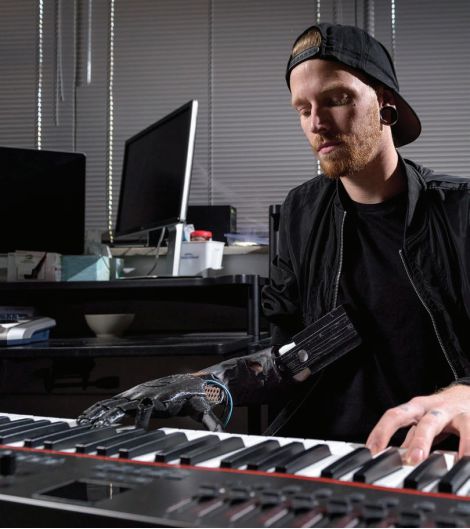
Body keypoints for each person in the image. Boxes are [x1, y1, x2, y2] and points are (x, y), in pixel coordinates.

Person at [78, 22, 470, 467]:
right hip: (320, 455)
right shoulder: (302, 211)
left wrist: (463, 395)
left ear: (384, 101)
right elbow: (292, 358)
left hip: (430, 460)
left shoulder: (459, 212)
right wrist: (213, 383)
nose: (317, 123)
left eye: (336, 99)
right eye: (303, 109)